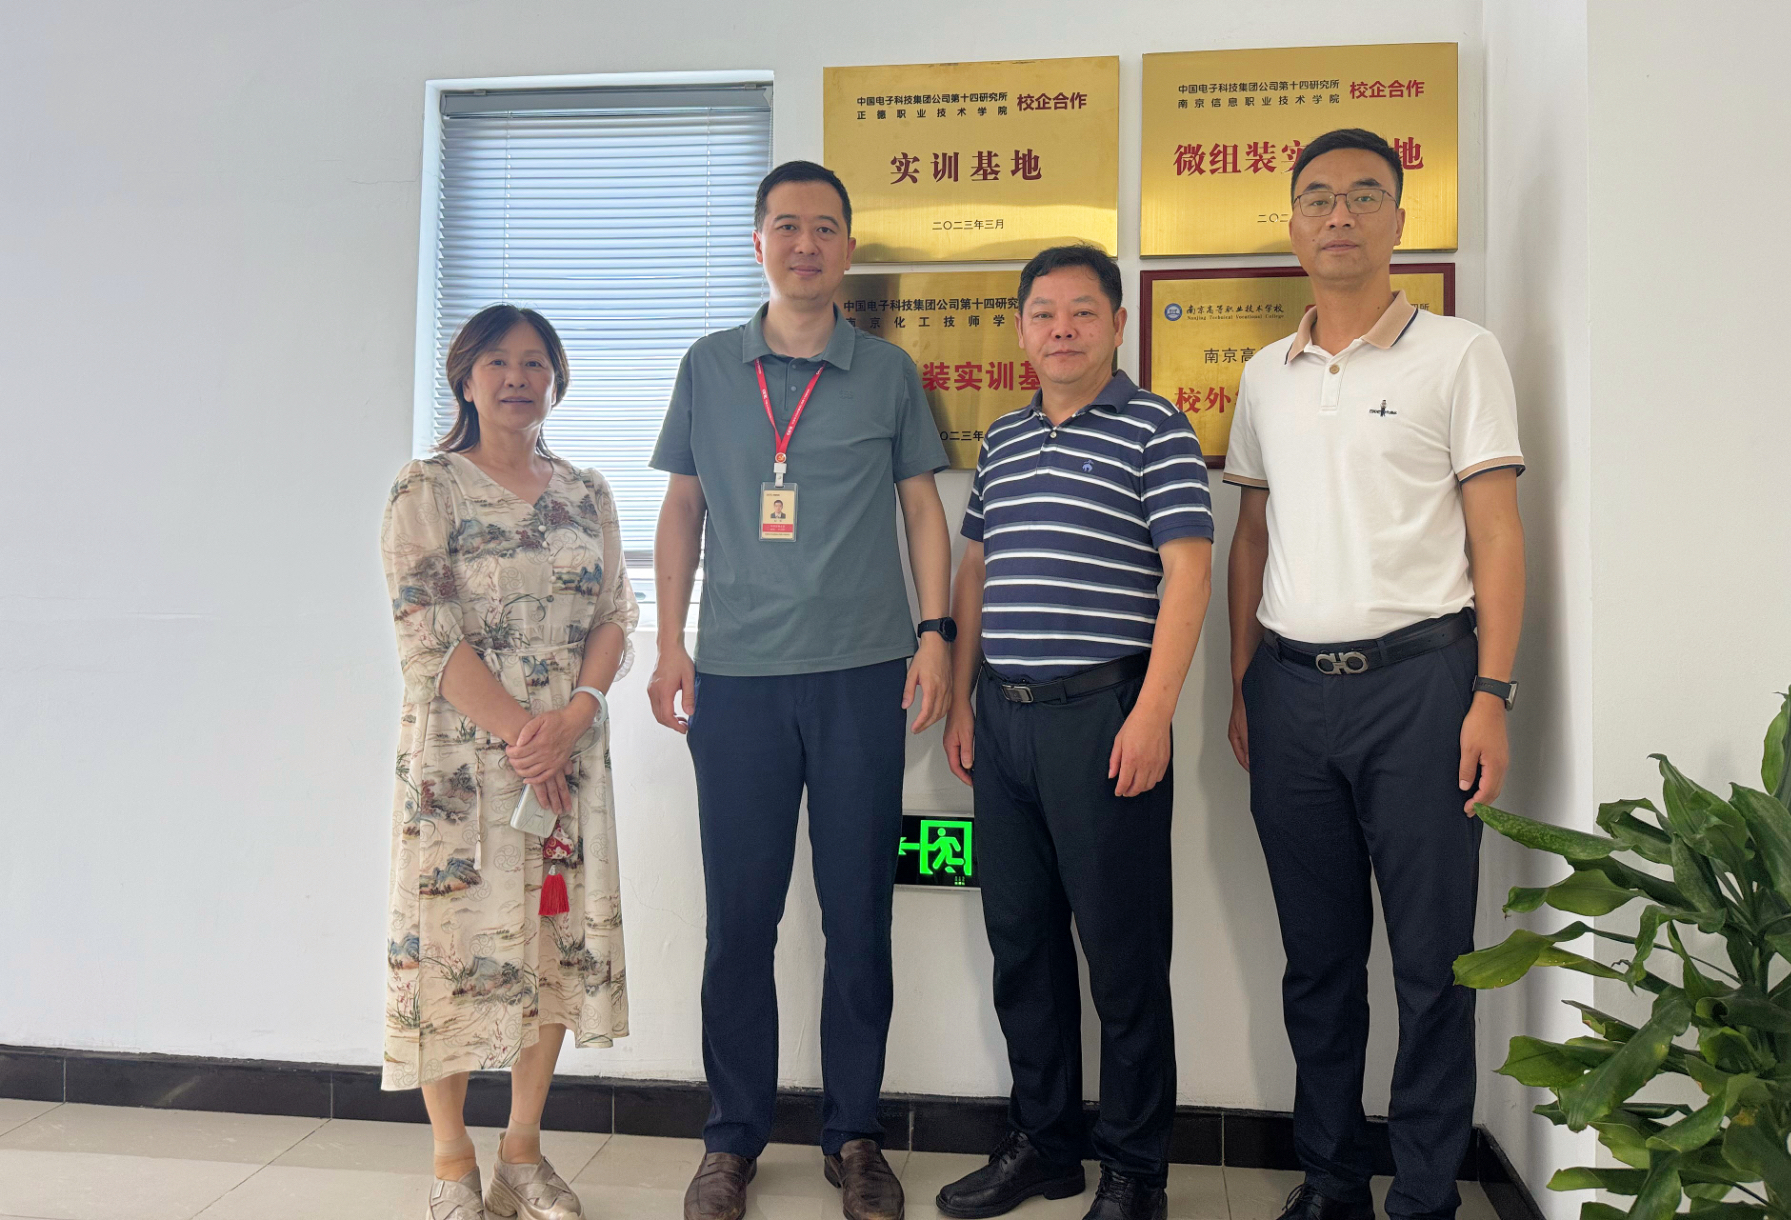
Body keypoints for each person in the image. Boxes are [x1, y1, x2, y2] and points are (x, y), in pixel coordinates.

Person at [1223, 129, 1526, 1220]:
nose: (1339, 215)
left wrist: (1491, 695)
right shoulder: (1266, 374)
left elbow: (1497, 535)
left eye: (1362, 196)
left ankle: (1426, 1197)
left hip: (1424, 689)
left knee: (1432, 963)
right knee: (1317, 961)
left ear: (1400, 219)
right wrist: (1242, 683)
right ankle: (1332, 1179)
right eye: (1317, 198)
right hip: (1290, 693)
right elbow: (1251, 538)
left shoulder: (1460, 353)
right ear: (1293, 226)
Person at [647, 160, 954, 1220]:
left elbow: (922, 509)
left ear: (849, 247)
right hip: (736, 681)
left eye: (825, 228)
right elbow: (682, 509)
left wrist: (934, 635)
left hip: (863, 675)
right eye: (787, 226)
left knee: (859, 916)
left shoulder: (888, 372)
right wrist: (671, 642)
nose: (806, 245)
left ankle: (854, 1135)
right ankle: (730, 1138)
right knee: (741, 922)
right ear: (758, 242)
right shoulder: (707, 366)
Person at [938, 246, 1213, 1220]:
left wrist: (1154, 713)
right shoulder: (1006, 439)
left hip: (1106, 718)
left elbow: (1188, 573)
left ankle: (1136, 1173)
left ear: (1117, 325)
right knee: (1022, 947)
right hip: (1004, 721)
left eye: (1083, 312)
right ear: (1021, 330)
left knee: (1123, 958)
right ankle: (1045, 1146)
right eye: (1045, 313)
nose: (1062, 329)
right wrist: (963, 700)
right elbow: (976, 572)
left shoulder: (1157, 428)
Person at [381, 304, 640, 1220]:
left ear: (556, 381)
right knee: (450, 948)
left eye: (535, 363)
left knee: (552, 947)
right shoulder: (427, 487)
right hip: (463, 763)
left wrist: (574, 717)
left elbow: (615, 615)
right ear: (465, 378)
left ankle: (521, 1155)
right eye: (498, 362)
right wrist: (526, 740)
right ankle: (451, 1165)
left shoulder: (587, 493)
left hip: (568, 756)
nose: (518, 378)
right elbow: (425, 629)